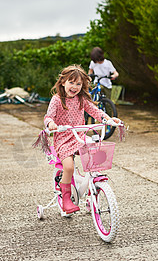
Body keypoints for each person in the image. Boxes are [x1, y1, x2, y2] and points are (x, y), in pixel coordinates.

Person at [44, 64, 120, 214]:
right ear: (63, 82)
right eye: (71, 82)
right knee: (69, 167)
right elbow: (48, 117)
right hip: (64, 139)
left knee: (96, 156)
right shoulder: (57, 99)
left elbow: (95, 111)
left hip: (80, 136)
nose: (75, 86)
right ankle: (66, 198)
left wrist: (108, 119)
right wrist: (51, 124)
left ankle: (93, 191)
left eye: (78, 84)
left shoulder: (81, 99)